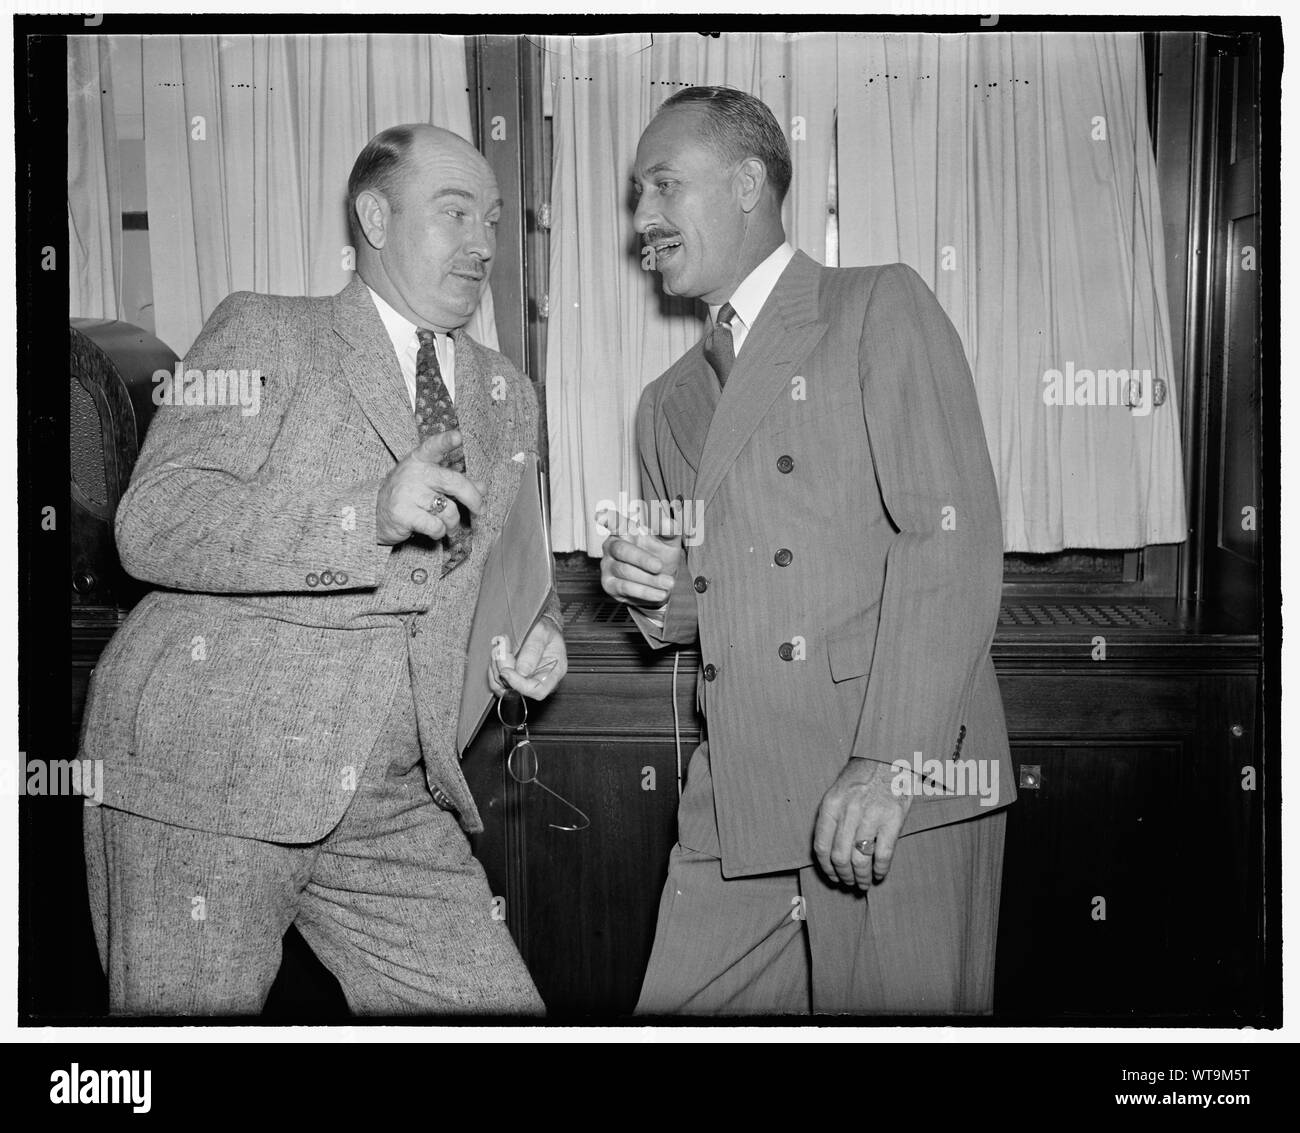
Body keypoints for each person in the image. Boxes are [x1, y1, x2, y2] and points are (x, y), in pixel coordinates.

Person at [80, 124, 565, 1016]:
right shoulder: (263, 328)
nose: (484, 242)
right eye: (453, 212)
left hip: (388, 796)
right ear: (374, 217)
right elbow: (153, 525)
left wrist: (536, 634)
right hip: (207, 776)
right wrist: (363, 519)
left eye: (493, 217)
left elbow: (508, 566)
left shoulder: (508, 393)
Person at [600, 86, 1015, 1014]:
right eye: (637, 195)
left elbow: (949, 542)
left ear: (749, 183)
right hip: (740, 799)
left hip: (890, 785)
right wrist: (654, 592)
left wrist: (890, 762)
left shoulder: (873, 305)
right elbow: (710, 607)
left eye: (665, 185)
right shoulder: (666, 401)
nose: (644, 220)